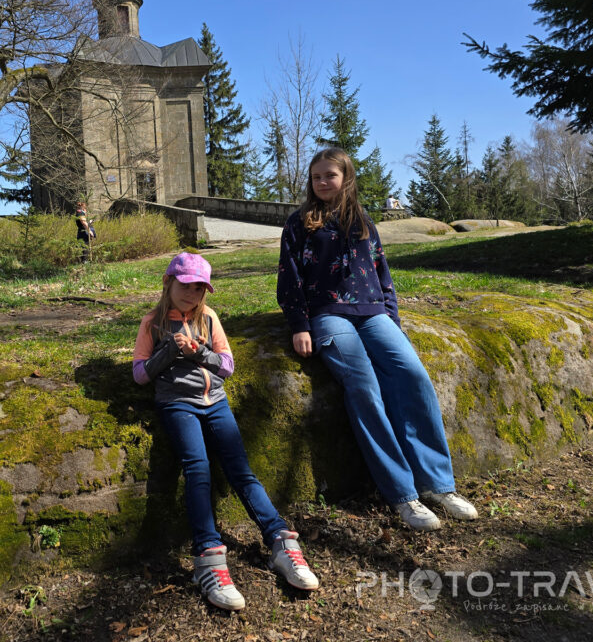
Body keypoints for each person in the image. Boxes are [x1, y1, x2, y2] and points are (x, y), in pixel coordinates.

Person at [277, 149, 478, 531]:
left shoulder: (364, 221)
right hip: (326, 315)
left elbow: (382, 273)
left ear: (346, 177)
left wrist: (393, 320)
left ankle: (438, 485)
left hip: (373, 315)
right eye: (316, 176)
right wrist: (298, 325)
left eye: (330, 175)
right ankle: (403, 495)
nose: (322, 182)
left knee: (413, 375)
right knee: (364, 385)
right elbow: (289, 278)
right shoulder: (300, 222)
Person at [133, 253, 319, 611]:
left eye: (200, 287)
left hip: (215, 401)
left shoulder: (209, 318)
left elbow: (227, 366)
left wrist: (200, 353)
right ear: (168, 282)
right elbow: (140, 374)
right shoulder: (152, 324)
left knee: (242, 472)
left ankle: (281, 542)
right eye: (185, 285)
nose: (192, 293)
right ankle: (208, 558)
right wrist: (169, 351)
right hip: (178, 404)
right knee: (198, 469)